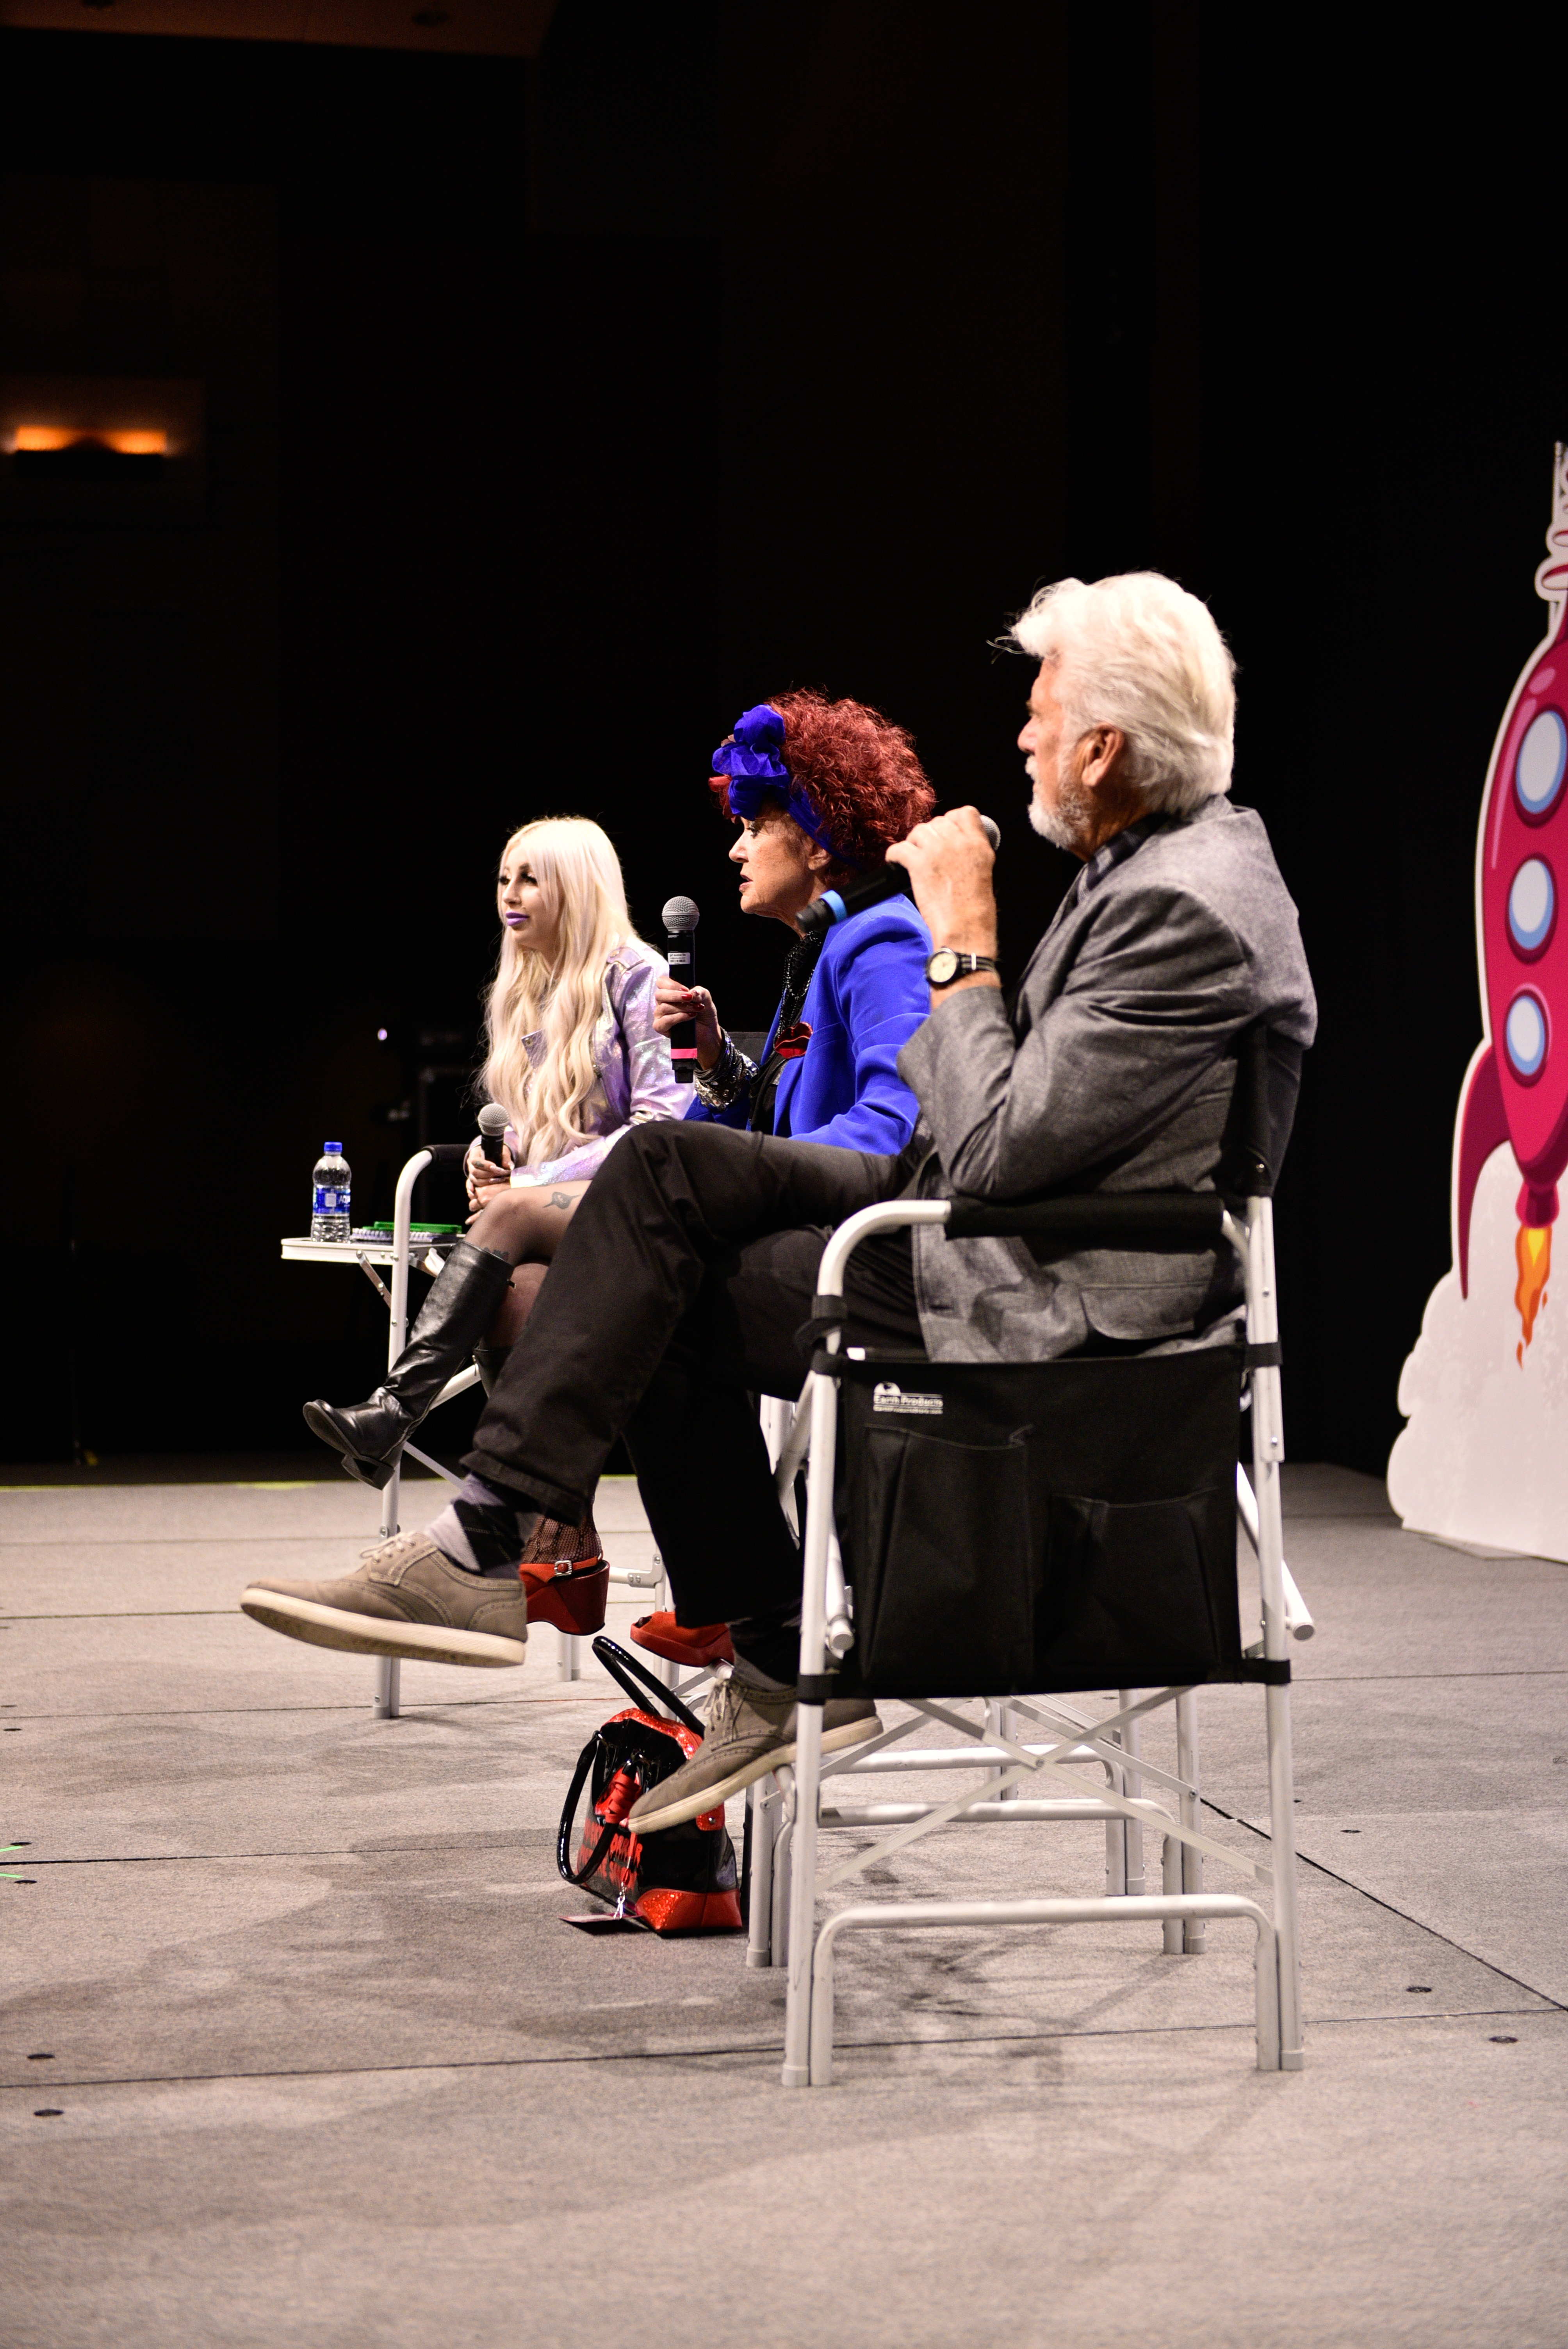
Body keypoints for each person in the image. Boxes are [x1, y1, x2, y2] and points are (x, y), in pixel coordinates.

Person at [241, 571, 1316, 1833]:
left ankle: (523, 1550)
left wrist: (961, 932)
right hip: (995, 1254)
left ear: (1100, 743)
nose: (1021, 732)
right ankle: (717, 1633)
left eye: (1040, 704)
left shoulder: (1179, 903)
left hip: (1054, 1318)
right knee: (646, 1264)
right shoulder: (1160, 870)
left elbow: (982, 1153)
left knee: (650, 1193)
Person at [298, 816, 686, 1623]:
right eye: (504, 878)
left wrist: (532, 1181)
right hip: (556, 1214)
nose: (511, 895)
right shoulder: (521, 990)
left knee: (512, 1227)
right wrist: (500, 1161)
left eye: (531, 878)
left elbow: (659, 1127)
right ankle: (562, 1538)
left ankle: (397, 1410)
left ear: (576, 886)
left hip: (640, 1203)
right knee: (514, 1295)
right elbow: (532, 1129)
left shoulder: (638, 973)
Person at [629, 691, 936, 1666]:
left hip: (871, 1279)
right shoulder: (819, 951)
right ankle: (728, 1602)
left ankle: (542, 1533)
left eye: (755, 823)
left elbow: (891, 1126)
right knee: (596, 1264)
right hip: (816, 1259)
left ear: (814, 835)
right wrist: (721, 1060)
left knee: (633, 1284)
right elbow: (772, 1120)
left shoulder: (881, 940)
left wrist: (743, 1178)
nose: (735, 848)